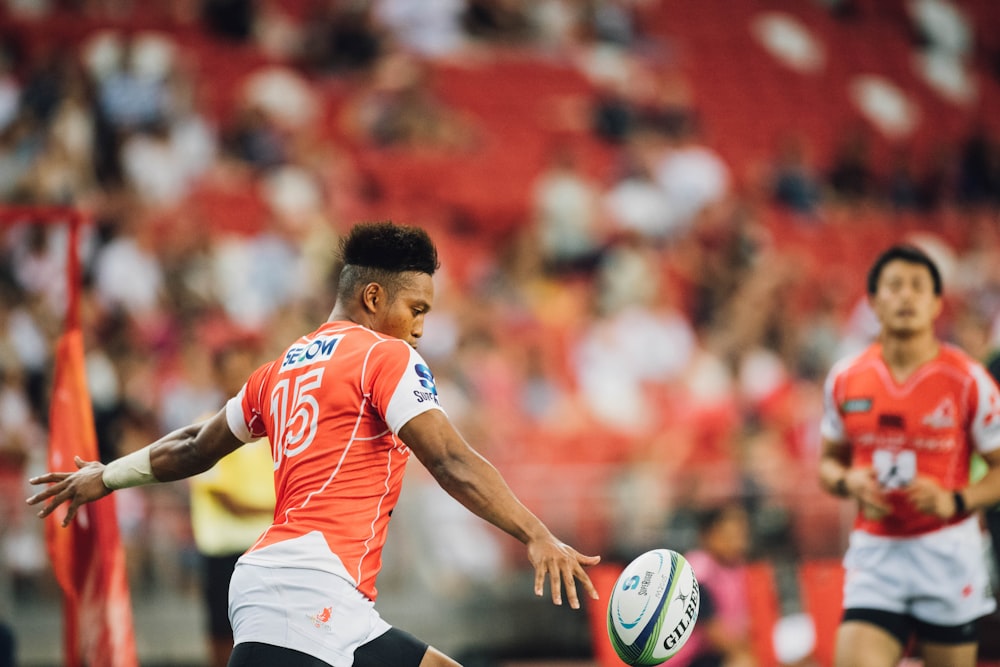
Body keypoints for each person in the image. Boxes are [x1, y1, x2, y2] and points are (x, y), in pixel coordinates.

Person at [27, 221, 601, 667]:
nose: (421, 327)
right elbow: (449, 458)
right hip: (308, 587)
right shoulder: (386, 356)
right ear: (374, 297)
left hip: (301, 591)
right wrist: (536, 533)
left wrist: (104, 476)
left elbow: (196, 443)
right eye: (416, 309)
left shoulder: (279, 369)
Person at [818, 244, 1000, 667]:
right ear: (873, 301)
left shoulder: (970, 381)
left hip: (948, 555)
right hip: (877, 556)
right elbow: (826, 464)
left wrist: (954, 500)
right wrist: (848, 482)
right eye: (894, 286)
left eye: (918, 287)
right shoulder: (846, 379)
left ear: (937, 304)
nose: (906, 296)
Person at [189, 343, 276, 667]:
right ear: (217, 376)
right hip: (224, 550)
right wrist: (279, 510)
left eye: (245, 373)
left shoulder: (271, 427)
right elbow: (224, 498)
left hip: (265, 549)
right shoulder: (206, 427)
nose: (240, 380)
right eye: (232, 373)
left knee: (270, 636)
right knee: (223, 637)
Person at [671, 501, 757, 667]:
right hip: (689, 658)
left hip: (717, 654)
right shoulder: (696, 571)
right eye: (728, 536)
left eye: (741, 535)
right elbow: (714, 634)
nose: (737, 542)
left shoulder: (740, 570)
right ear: (707, 536)